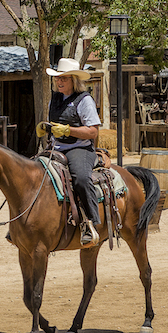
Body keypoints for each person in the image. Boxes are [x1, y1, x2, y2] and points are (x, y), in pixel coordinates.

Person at [37, 57, 102, 247]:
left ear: (74, 80)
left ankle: (91, 223)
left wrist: (68, 130)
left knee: (81, 178)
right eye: (58, 78)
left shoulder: (85, 100)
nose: (59, 82)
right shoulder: (55, 99)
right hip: (56, 147)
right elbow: (54, 125)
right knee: (30, 172)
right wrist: (47, 128)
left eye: (63, 79)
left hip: (79, 148)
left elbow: (93, 131)